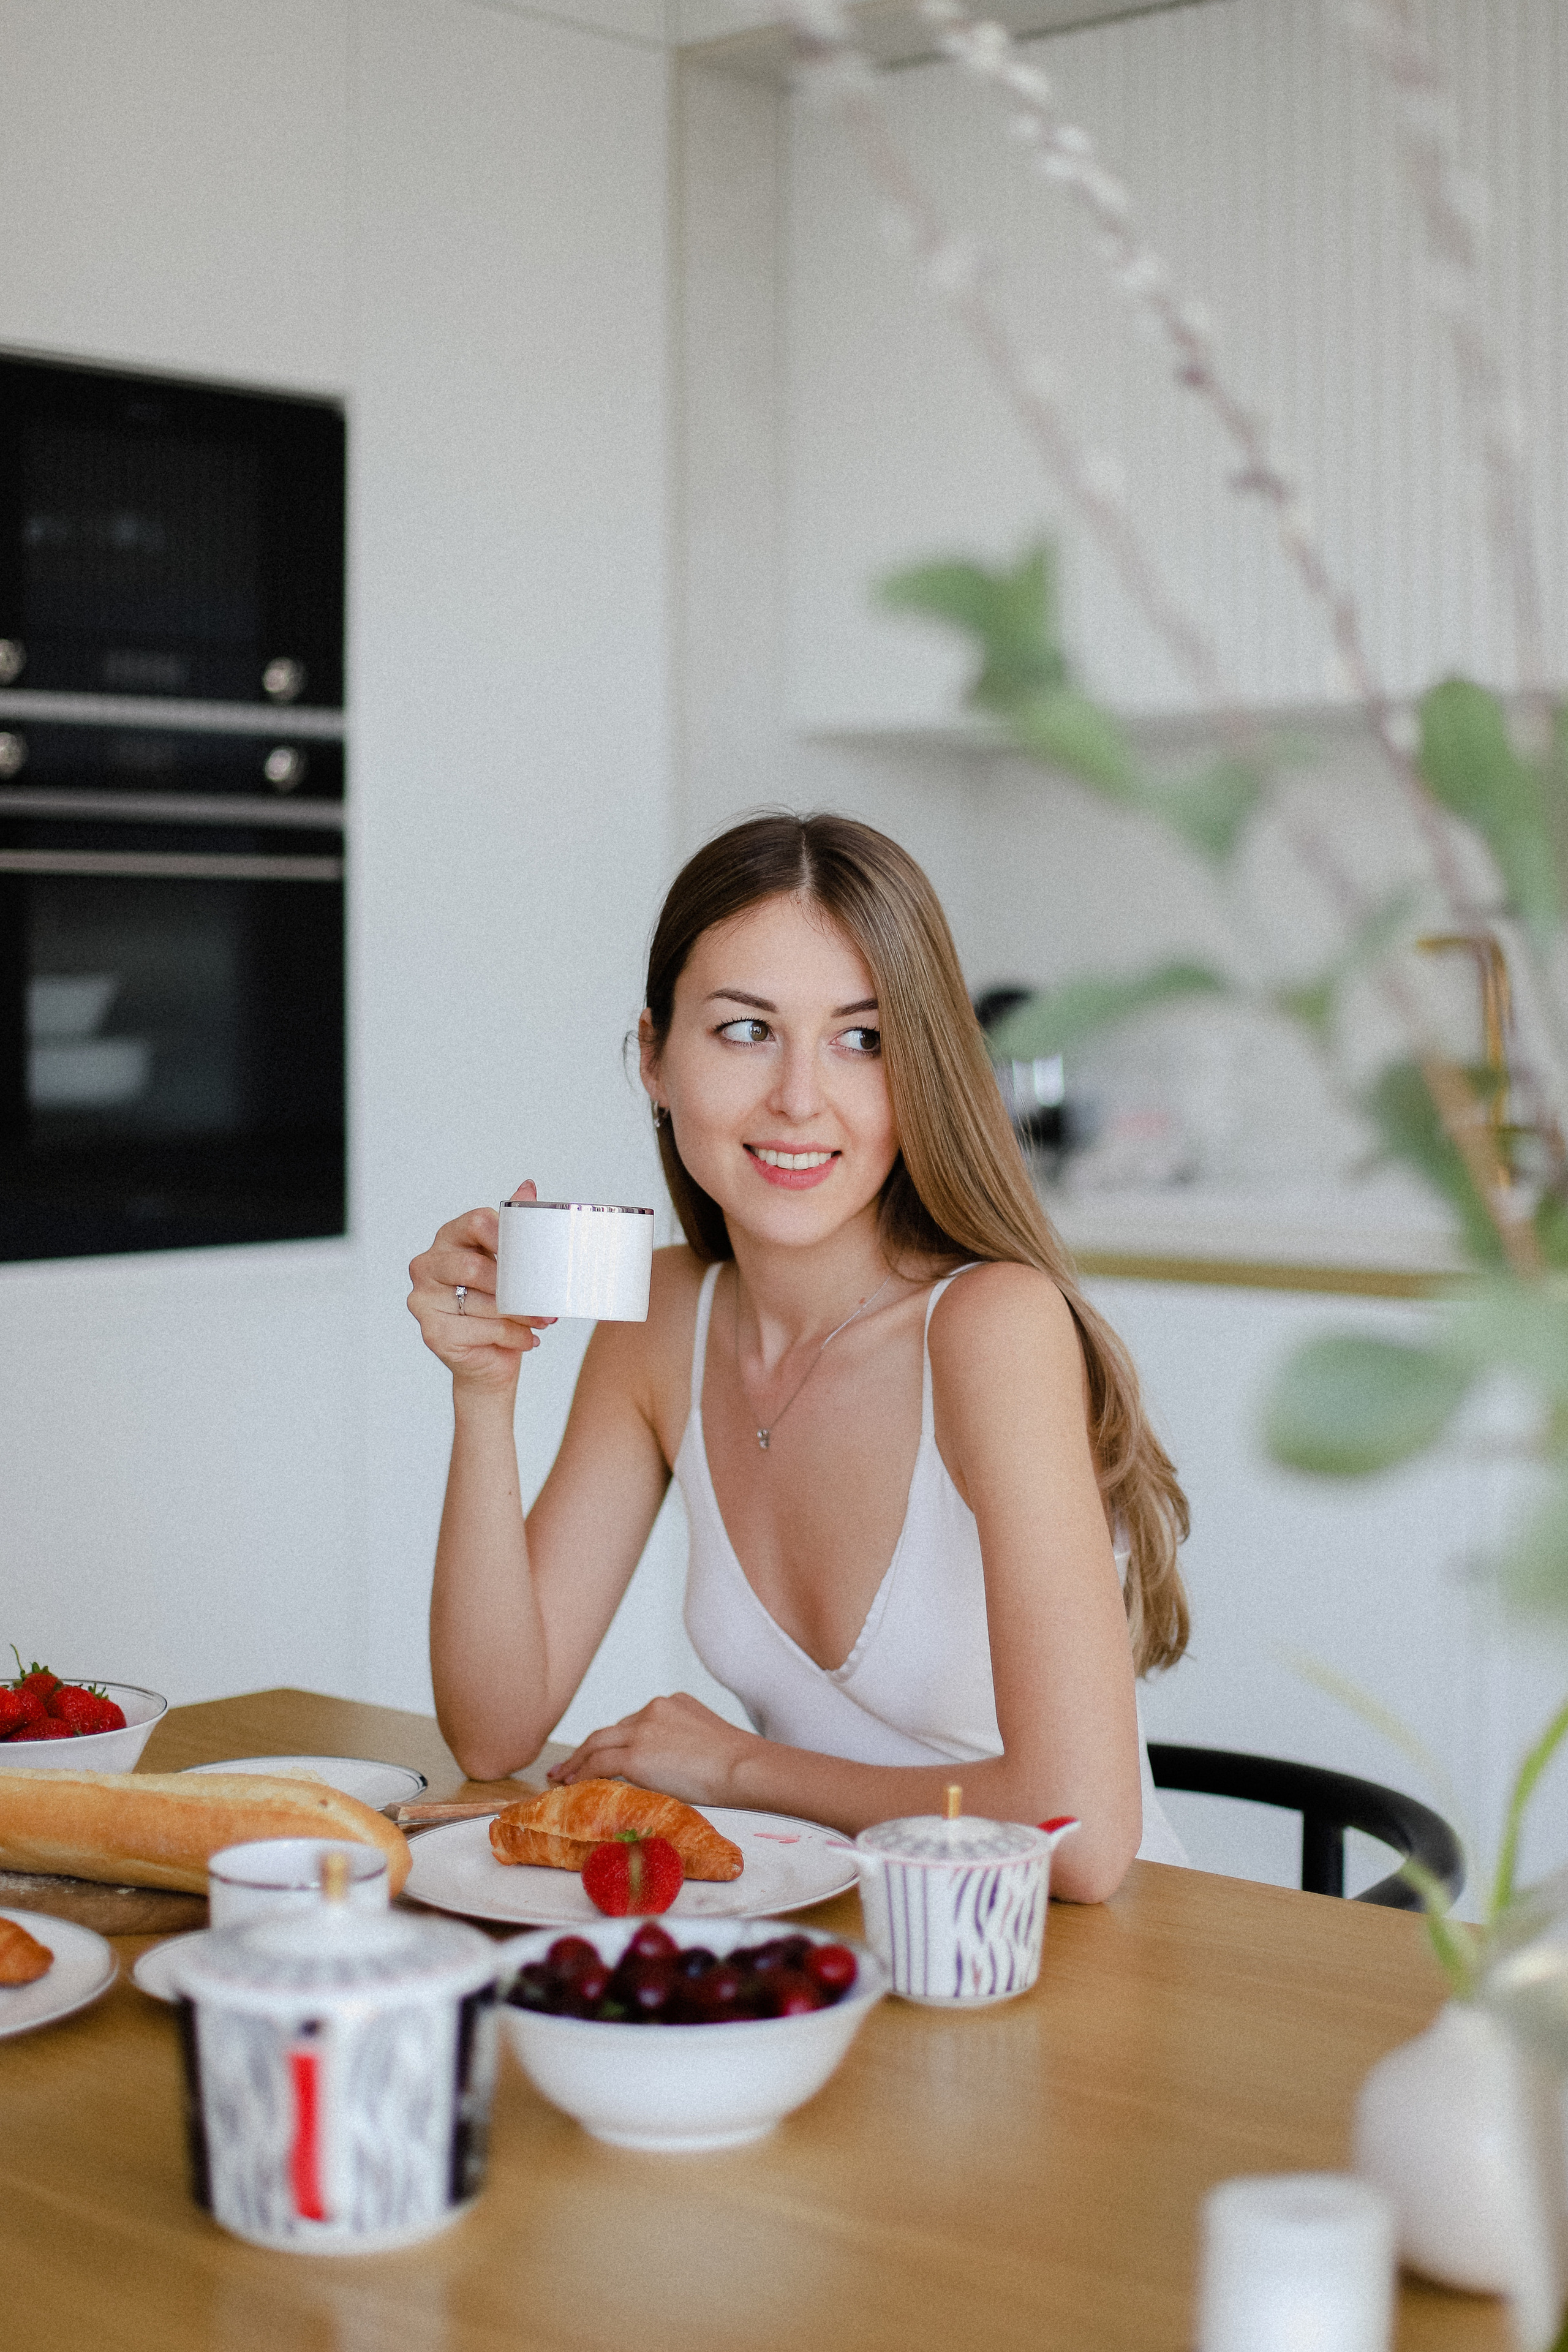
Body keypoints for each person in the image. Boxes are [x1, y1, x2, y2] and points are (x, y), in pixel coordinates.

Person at [409, 813, 1189, 1902]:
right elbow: (495, 1728)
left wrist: (737, 1770)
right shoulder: (662, 1318)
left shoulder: (989, 1327)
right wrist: (484, 1396)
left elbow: (1085, 1834)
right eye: (745, 1031)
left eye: (861, 1040)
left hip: (1073, 1963)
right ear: (653, 1057)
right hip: (843, 1936)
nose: (799, 1098)